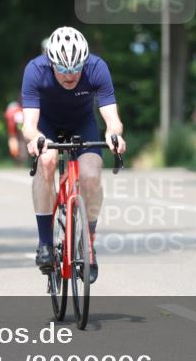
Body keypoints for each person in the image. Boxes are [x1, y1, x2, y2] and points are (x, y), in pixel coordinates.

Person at [22, 26, 126, 283]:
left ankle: (88, 242)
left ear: (85, 62)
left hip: (82, 124)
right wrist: (35, 138)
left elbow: (111, 117)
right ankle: (45, 243)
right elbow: (29, 124)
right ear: (51, 62)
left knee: (91, 176)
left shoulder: (97, 68)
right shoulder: (35, 70)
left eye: (76, 69)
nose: (70, 76)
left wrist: (114, 134)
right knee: (46, 162)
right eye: (63, 70)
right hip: (46, 126)